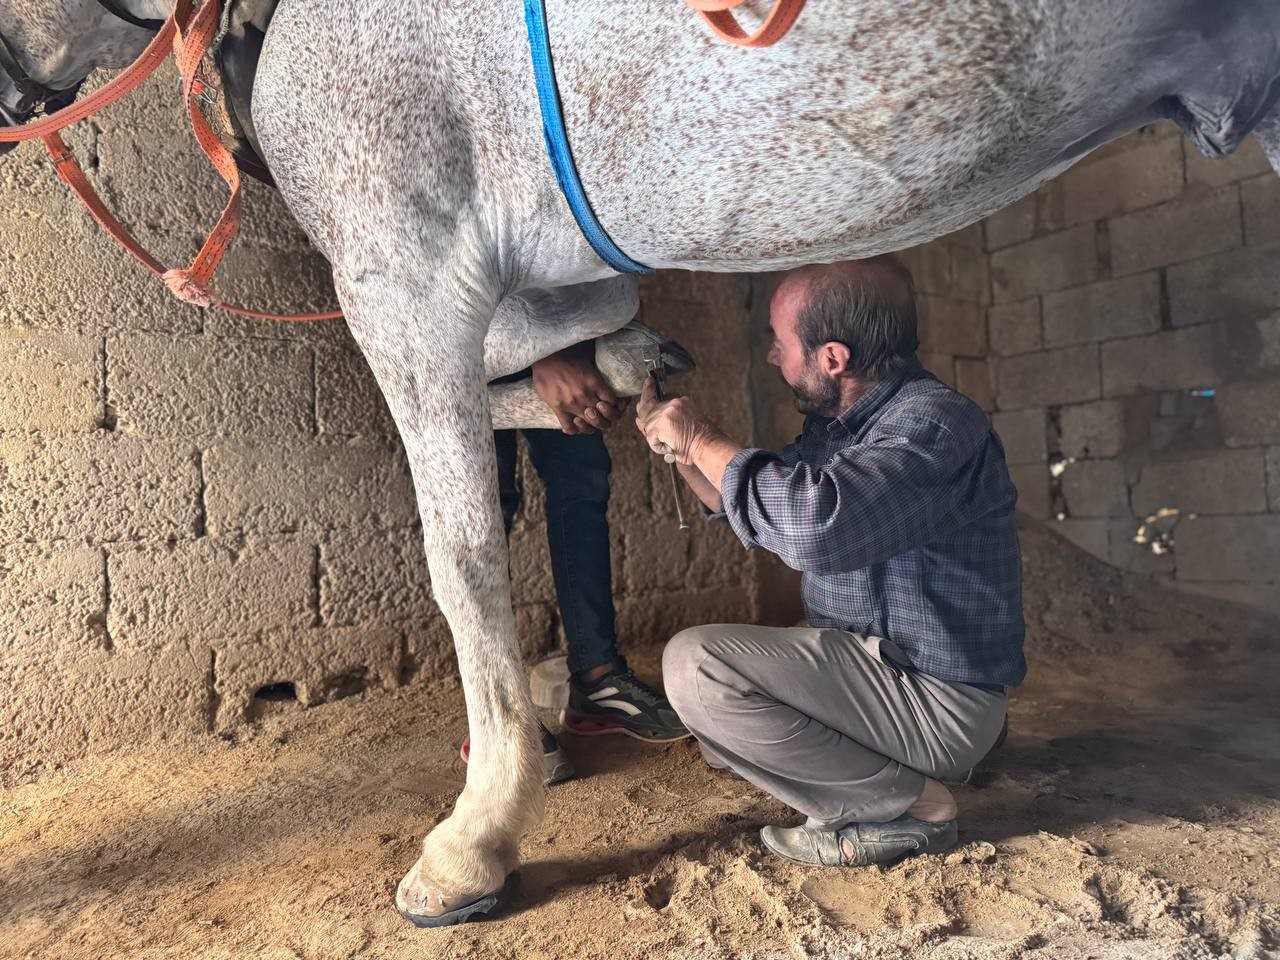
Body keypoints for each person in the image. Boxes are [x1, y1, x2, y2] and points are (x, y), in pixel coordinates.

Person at [634, 257, 1023, 867]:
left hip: (936, 696)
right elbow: (753, 504)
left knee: (696, 668)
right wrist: (681, 449)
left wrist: (701, 437)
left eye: (779, 342)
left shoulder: (934, 424)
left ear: (832, 358)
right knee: (722, 729)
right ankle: (900, 766)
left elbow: (817, 528)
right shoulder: (841, 426)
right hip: (882, 672)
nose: (772, 357)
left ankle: (914, 804)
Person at [464, 341, 689, 785]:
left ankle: (598, 679)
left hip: (560, 337)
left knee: (581, 481)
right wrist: (545, 353)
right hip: (467, 338)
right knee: (481, 501)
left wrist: (588, 351)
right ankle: (494, 709)